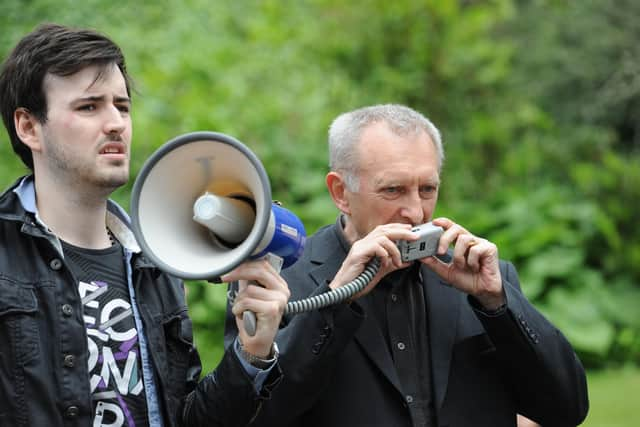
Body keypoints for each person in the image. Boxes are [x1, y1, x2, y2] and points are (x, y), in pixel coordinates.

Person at [225, 104, 589, 426]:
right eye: (393, 190)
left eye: (427, 189)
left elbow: (565, 409)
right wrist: (335, 304)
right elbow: (254, 416)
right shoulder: (277, 281)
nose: (415, 212)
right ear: (340, 193)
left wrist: (498, 303)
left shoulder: (480, 276)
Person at [0, 23, 290, 427]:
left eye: (122, 106)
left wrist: (252, 352)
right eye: (89, 107)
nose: (116, 123)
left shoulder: (153, 261)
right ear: (29, 127)